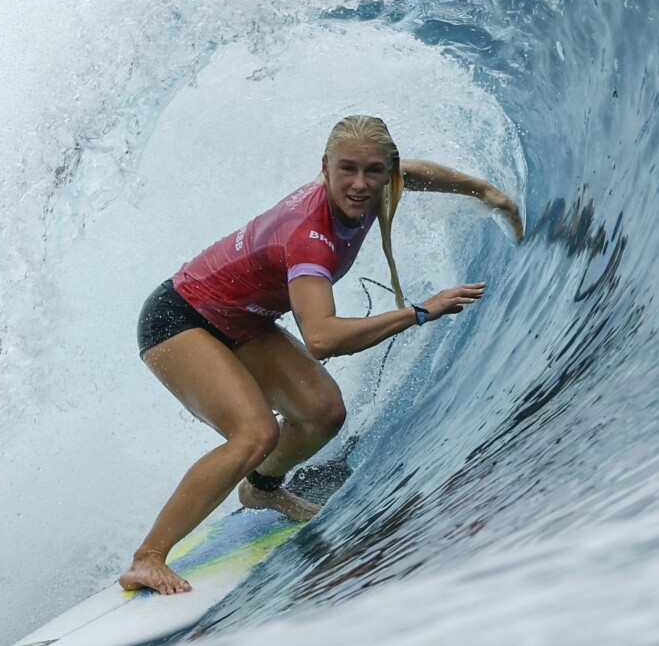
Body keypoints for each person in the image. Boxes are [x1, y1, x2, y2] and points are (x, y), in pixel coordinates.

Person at [121, 114, 523, 595]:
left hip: (242, 319)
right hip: (180, 319)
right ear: (325, 168)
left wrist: (484, 192)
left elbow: (411, 173)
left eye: (373, 172)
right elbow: (322, 338)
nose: (360, 184)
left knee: (322, 413)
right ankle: (147, 557)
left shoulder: (372, 187)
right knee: (255, 433)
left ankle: (261, 490)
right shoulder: (311, 237)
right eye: (347, 171)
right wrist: (421, 311)